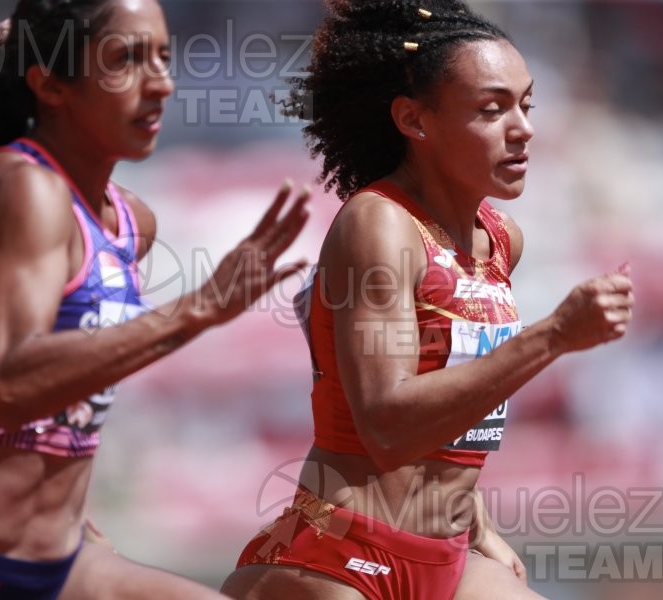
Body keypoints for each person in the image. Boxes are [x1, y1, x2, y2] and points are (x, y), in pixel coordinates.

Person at [0, 0, 310, 598]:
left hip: (60, 565)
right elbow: (11, 388)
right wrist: (196, 310)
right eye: (126, 60)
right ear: (51, 85)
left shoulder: (129, 222)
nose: (161, 82)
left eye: (164, 58)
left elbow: (64, 395)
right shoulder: (23, 190)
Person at [221, 1, 634, 599]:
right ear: (414, 120)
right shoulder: (378, 225)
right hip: (341, 557)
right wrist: (552, 337)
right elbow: (387, 425)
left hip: (447, 557)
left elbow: (457, 402)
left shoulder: (499, 238)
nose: (523, 128)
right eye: (491, 110)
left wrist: (477, 518)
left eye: (526, 104)